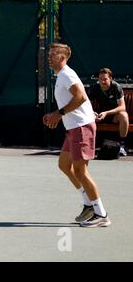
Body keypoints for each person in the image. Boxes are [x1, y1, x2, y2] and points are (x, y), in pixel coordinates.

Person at [43, 43, 111, 228]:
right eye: (48, 54)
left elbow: (80, 97)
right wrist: (56, 115)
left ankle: (101, 214)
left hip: (82, 127)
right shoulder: (61, 75)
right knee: (64, 165)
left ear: (63, 57)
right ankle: (89, 204)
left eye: (53, 54)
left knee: (81, 170)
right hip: (74, 127)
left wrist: (58, 113)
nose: (48, 57)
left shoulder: (66, 74)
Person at [88, 67, 129, 156]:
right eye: (100, 79)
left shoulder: (116, 87)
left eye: (105, 79)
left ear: (110, 78)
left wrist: (106, 113)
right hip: (100, 116)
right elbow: (86, 105)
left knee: (124, 115)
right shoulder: (95, 87)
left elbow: (122, 107)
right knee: (86, 116)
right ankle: (88, 145)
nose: (102, 82)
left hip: (114, 116)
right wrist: (92, 112)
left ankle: (122, 146)